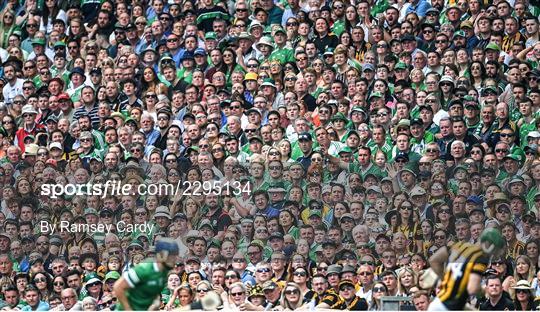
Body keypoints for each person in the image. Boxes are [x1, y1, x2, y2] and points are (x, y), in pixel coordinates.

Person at [421, 228, 506, 310]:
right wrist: (484, 290)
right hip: (450, 306)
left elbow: (434, 260)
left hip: (439, 302)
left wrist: (443, 279)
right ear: (489, 245)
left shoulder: (460, 245)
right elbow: (472, 288)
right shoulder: (481, 257)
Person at [113, 238, 179, 310]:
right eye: (171, 255)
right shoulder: (144, 268)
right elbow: (118, 287)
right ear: (161, 255)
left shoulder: (165, 272)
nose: (175, 259)